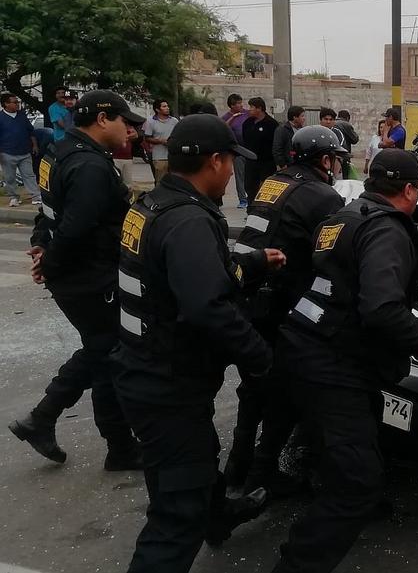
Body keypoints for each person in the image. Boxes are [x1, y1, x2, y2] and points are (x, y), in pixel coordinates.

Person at [113, 114, 283, 572]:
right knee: (176, 515)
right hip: (167, 383)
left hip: (145, 367)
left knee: (198, 456)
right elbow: (210, 307)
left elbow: (188, 276)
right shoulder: (188, 220)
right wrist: (262, 360)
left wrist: (253, 262)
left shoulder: (152, 204)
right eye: (230, 162)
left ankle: (218, 514)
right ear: (215, 161)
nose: (230, 173)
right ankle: (196, 519)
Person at [270, 149, 418, 573]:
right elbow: (382, 307)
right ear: (409, 189)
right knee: (357, 482)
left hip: (303, 345)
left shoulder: (341, 216)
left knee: (347, 445)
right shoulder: (388, 230)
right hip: (332, 363)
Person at [8, 90, 145, 469]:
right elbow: (74, 228)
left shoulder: (58, 151)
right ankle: (118, 448)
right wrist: (49, 261)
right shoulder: (89, 166)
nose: (130, 130)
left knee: (101, 350)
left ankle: (44, 420)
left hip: (76, 274)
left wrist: (41, 245)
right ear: (102, 120)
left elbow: (50, 210)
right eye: (124, 121)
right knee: (109, 355)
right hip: (90, 277)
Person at [224, 125, 346, 493]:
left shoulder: (272, 181)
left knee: (253, 387)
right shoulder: (323, 196)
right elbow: (332, 254)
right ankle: (261, 476)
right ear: (326, 160)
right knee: (285, 390)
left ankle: (237, 466)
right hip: (283, 304)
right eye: (336, 160)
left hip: (250, 295)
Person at [0, 93, 41, 207]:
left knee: (29, 175)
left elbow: (30, 131)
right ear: (6, 104)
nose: (17, 104)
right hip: (7, 153)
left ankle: (36, 196)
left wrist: (35, 145)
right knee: (10, 177)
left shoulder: (22, 115)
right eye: (15, 102)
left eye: (18, 102)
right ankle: (14, 197)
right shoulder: (1, 117)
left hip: (25, 152)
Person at [242, 97, 279, 205]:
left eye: (252, 107)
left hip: (266, 163)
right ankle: (250, 209)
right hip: (251, 162)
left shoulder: (271, 124)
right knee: (250, 187)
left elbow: (275, 144)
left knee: (264, 189)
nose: (249, 109)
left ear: (259, 108)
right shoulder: (247, 123)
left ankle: (263, 209)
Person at [222, 93, 250, 208]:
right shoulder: (226, 117)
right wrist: (233, 117)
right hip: (238, 151)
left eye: (241, 102)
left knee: (251, 175)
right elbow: (223, 128)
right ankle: (242, 199)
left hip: (249, 148)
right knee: (240, 176)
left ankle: (252, 197)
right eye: (238, 103)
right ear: (232, 106)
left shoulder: (247, 113)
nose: (241, 105)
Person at [144, 98, 180, 185]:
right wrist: (160, 141)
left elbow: (179, 136)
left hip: (173, 156)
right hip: (159, 157)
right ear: (157, 109)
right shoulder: (150, 121)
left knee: (174, 182)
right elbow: (147, 138)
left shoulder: (174, 121)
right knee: (160, 182)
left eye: (167, 106)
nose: (167, 108)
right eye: (164, 106)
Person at [272, 106, 306, 171]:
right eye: (302, 116)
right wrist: (282, 165)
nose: (304, 118)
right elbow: (277, 149)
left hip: (299, 165)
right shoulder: (282, 130)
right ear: (295, 117)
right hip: (288, 166)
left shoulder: (302, 130)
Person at [335, 109, 359, 179]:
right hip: (343, 154)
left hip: (333, 154)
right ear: (348, 118)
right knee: (344, 177)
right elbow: (355, 139)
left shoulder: (332, 123)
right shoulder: (346, 124)